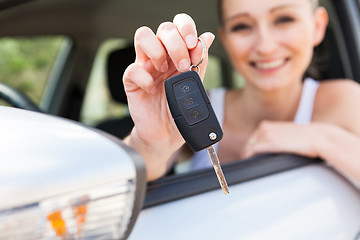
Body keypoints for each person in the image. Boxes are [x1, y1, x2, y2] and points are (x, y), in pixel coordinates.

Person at [122, 0, 360, 184]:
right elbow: (121, 182)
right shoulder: (196, 110)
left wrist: (322, 138)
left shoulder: (347, 102)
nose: (265, 47)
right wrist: (149, 144)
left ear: (317, 26)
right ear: (225, 39)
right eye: (242, 26)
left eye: (284, 19)